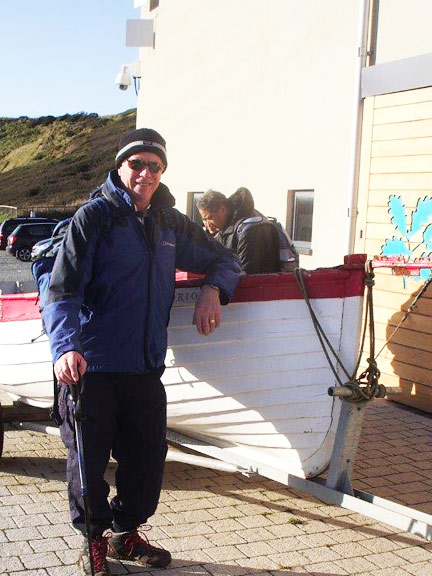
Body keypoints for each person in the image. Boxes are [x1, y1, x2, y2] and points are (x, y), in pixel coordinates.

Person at [42, 128, 241, 576]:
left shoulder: (169, 222)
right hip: (89, 367)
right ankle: (93, 540)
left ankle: (124, 535)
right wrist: (66, 346)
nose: (145, 173)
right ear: (120, 167)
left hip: (145, 366)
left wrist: (214, 289)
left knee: (147, 459)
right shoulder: (93, 219)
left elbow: (227, 259)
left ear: (163, 171)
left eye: (155, 165)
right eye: (137, 164)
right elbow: (61, 291)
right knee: (87, 463)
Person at [197, 187, 287, 274]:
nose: (207, 224)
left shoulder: (252, 230)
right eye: (204, 220)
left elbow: (246, 274)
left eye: (209, 218)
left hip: (263, 287)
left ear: (222, 209)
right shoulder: (224, 229)